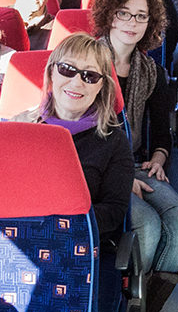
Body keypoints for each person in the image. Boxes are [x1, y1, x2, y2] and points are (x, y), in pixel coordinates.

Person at [91, 0, 178, 312]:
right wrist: (123, 176)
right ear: (109, 16)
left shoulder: (150, 71)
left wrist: (160, 157)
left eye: (141, 16)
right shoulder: (89, 63)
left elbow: (161, 125)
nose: (132, 23)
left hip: (137, 164)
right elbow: (85, 138)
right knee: (147, 230)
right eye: (124, 14)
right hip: (100, 172)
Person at [14, 33, 130, 248]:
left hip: (78, 247)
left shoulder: (114, 140)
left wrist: (57, 225)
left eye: (90, 76)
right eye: (67, 69)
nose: (77, 82)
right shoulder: (19, 127)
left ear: (101, 86)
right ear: (51, 72)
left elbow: (114, 210)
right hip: (20, 240)